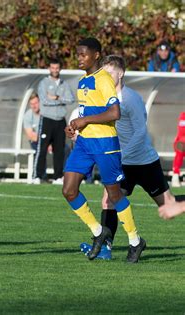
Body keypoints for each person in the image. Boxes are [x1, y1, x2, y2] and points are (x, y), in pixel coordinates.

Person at [79, 55, 185, 260]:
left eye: (111, 73)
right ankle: (105, 248)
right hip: (123, 164)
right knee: (108, 200)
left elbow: (140, 133)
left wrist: (122, 155)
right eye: (104, 73)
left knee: (168, 205)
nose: (107, 77)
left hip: (145, 162)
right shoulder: (104, 96)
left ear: (121, 73)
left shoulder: (131, 98)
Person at [63, 38, 145, 263]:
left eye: (84, 54)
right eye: (77, 54)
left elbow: (114, 113)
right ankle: (99, 232)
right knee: (69, 190)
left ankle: (135, 241)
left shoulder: (104, 80)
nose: (79, 58)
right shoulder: (82, 81)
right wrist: (74, 127)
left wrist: (85, 120)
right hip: (84, 144)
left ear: (96, 55)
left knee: (114, 195)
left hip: (105, 144)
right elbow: (85, 112)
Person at [34, 58, 75, 184]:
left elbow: (71, 99)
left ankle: (58, 176)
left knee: (59, 150)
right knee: (42, 148)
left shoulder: (65, 84)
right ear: (49, 69)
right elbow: (44, 100)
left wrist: (56, 97)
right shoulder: (43, 83)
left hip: (60, 121)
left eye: (57, 68)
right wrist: (61, 100)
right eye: (53, 68)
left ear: (60, 69)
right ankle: (38, 176)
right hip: (47, 119)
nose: (55, 70)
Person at [171, 112, 185, 187]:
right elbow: (183, 131)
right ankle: (175, 177)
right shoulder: (183, 115)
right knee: (180, 147)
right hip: (181, 143)